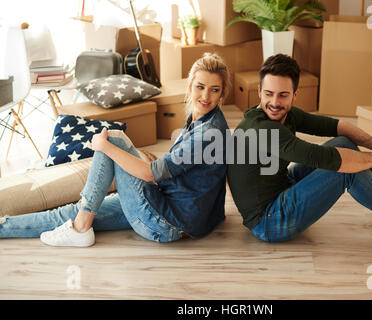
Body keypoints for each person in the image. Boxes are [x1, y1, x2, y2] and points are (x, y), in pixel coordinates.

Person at [0, 52, 231, 247]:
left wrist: (103, 148)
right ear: (190, 85)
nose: (205, 96)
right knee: (77, 210)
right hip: (162, 203)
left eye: (214, 90)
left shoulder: (208, 133)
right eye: (200, 87)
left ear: (222, 93)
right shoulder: (200, 117)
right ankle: (6, 226)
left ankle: (81, 227)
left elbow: (151, 173)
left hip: (164, 221)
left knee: (112, 140)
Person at [227, 53, 372, 242]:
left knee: (343, 144)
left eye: (283, 95)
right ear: (259, 91)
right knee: (343, 171)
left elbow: (335, 126)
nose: (274, 102)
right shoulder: (261, 128)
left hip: (282, 187)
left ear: (295, 95)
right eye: (268, 94)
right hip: (269, 220)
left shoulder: (286, 114)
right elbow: (322, 157)